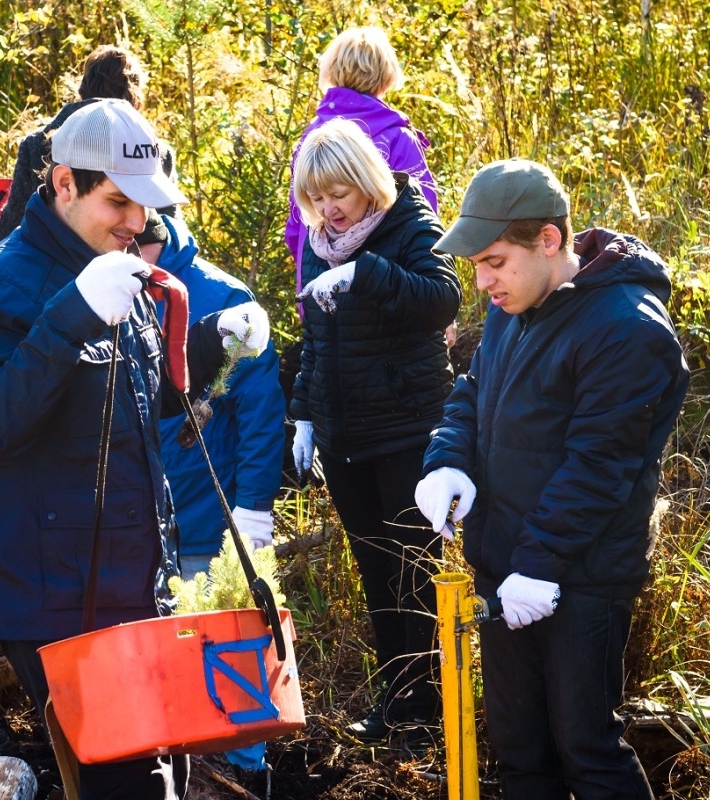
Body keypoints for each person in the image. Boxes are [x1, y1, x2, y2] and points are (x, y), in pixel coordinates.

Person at [0, 98, 269, 800]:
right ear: (63, 183)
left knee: (168, 770)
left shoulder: (112, 264)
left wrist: (216, 338)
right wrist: (72, 315)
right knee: (133, 784)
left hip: (130, 580)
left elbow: (137, 398)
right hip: (57, 594)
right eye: (117, 201)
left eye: (144, 206)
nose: (134, 223)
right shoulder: (5, 284)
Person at [414, 158, 689, 799]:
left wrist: (539, 564)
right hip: (505, 564)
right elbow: (472, 392)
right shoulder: (517, 303)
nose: (482, 281)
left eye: (494, 261)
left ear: (549, 240)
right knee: (519, 751)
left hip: (581, 577)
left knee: (586, 750)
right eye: (476, 265)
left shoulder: (627, 328)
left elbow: (600, 465)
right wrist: (447, 459)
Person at [289, 117, 461, 745]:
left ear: (365, 182)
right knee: (374, 570)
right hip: (343, 437)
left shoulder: (408, 220)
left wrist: (369, 275)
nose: (328, 210)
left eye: (338, 194)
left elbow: (443, 299)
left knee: (415, 569)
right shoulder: (318, 240)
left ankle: (432, 708)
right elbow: (316, 338)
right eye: (316, 197)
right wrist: (305, 414)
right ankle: (398, 699)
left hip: (407, 429)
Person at [136, 211, 285, 776]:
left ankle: (244, 771)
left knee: (229, 649)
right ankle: (179, 772)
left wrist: (251, 509)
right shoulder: (100, 286)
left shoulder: (220, 296)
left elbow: (260, 413)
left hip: (208, 519)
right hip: (142, 525)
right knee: (164, 664)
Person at [285, 25, 438, 300]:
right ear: (386, 76)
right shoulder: (397, 137)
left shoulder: (313, 137)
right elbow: (425, 218)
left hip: (319, 292)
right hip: (388, 293)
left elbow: (297, 226)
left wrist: (307, 278)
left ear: (331, 70)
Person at [0, 44, 177, 244]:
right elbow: (172, 235)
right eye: (118, 201)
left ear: (84, 87)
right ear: (135, 94)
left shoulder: (37, 144)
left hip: (44, 264)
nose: (138, 222)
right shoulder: (156, 152)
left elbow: (9, 229)